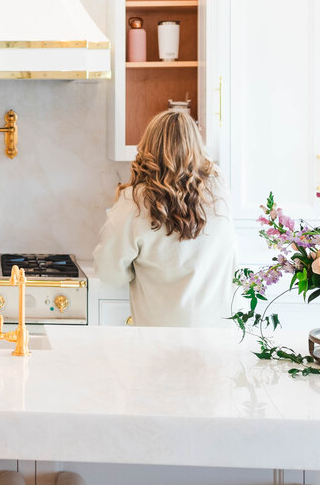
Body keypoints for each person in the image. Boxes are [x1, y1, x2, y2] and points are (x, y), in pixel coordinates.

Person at [93, 109, 236, 327]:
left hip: (160, 337)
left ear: (147, 146)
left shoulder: (135, 201)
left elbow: (110, 273)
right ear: (197, 145)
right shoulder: (218, 187)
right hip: (219, 331)